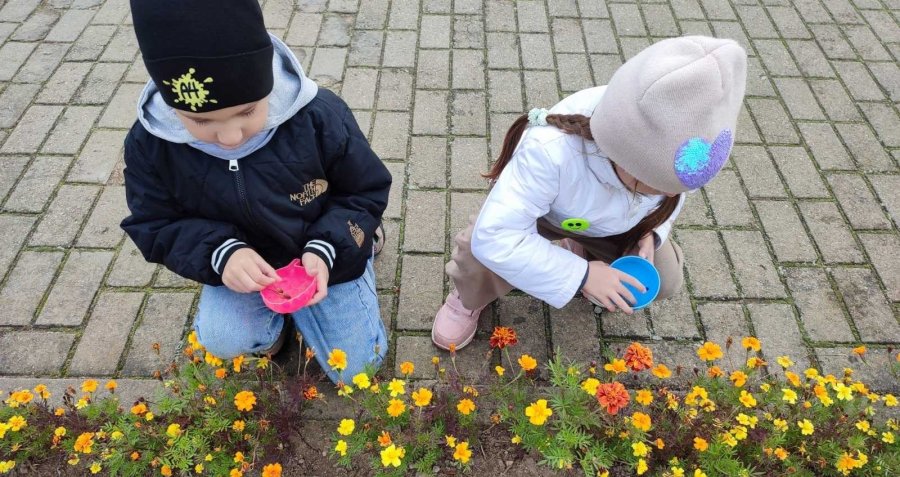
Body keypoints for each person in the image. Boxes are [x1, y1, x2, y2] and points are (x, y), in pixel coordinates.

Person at [121, 0, 390, 382]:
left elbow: (365, 190)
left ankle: (365, 245)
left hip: (324, 252)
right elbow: (154, 223)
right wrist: (220, 253)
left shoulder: (318, 116)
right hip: (244, 266)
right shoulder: (151, 145)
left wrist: (331, 245)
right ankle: (272, 332)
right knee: (224, 339)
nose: (229, 137)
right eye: (201, 120)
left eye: (247, 111)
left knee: (358, 369)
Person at [432, 36, 747, 351]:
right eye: (654, 186)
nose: (665, 195)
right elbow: (497, 236)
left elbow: (673, 190)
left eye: (674, 189)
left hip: (613, 222)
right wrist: (581, 275)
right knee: (482, 248)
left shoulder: (673, 148)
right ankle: (468, 298)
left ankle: (580, 248)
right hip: (545, 215)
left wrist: (653, 231)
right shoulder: (551, 150)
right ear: (622, 154)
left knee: (664, 276)